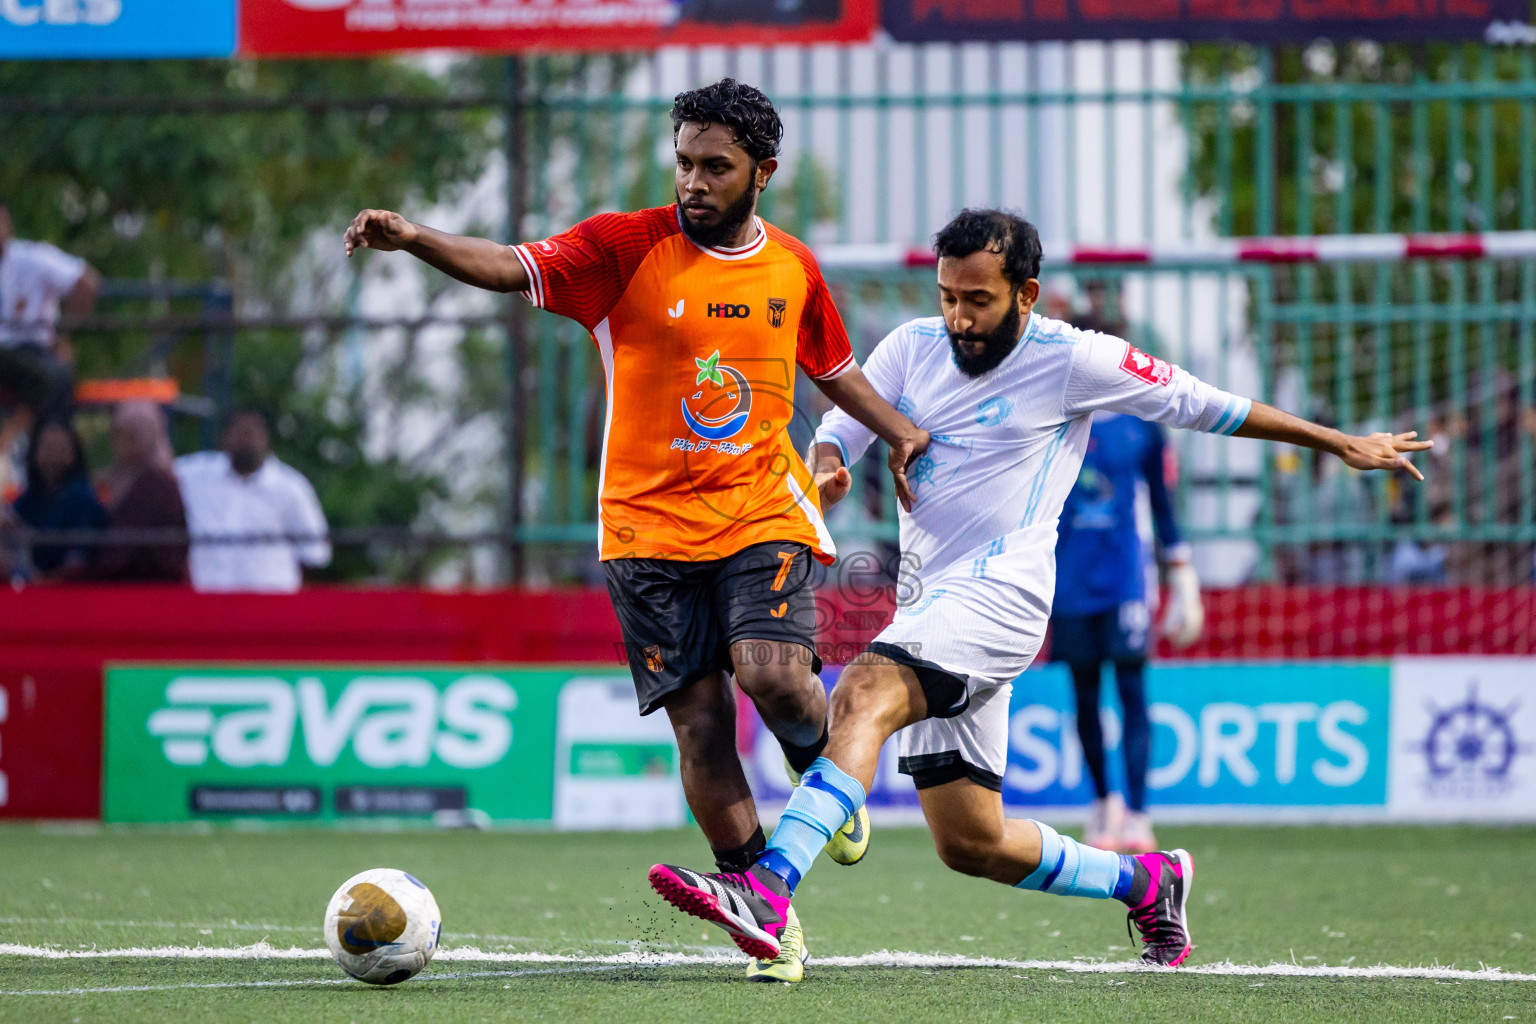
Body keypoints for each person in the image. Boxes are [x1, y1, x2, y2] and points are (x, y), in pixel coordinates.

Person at [647, 208, 1429, 969]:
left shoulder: (1075, 358)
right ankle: (1150, 881)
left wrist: (1338, 441)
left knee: (862, 689)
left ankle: (769, 886)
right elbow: (837, 434)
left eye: (978, 300)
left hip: (1004, 596)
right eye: (949, 296)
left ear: (1026, 293)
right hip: (930, 604)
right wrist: (828, 468)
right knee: (970, 842)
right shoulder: (908, 349)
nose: (959, 317)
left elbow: (1204, 403)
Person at [344, 78, 927, 983]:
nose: (694, 181)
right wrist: (416, 237)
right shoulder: (622, 246)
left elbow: (835, 367)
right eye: (685, 162)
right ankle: (766, 916)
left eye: (717, 167)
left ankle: (824, 772)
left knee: (770, 675)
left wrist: (899, 434)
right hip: (644, 532)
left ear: (762, 173)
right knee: (700, 727)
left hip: (761, 510)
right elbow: (510, 264)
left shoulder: (795, 269)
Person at [1051, 413, 1203, 853]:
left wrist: (1181, 574)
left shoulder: (1143, 424)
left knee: (1132, 690)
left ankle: (1138, 812)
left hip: (1127, 580)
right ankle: (1103, 802)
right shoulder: (1053, 414)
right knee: (1083, 695)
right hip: (1068, 579)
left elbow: (1161, 500)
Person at [0, 199, 100, 494]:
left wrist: (65, 336)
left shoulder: (32, 258)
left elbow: (87, 282)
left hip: (31, 354)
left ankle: (45, 473)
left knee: (54, 378)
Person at [175, 408, 331, 593]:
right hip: (207, 604)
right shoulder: (195, 475)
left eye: (252, 433)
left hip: (269, 607)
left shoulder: (291, 488)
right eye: (239, 433)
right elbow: (155, 473)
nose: (246, 441)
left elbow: (316, 554)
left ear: (267, 439)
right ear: (224, 438)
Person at [93, 401, 188, 582]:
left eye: (133, 435)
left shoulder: (159, 484)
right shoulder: (112, 479)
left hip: (151, 584)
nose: (123, 442)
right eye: (120, 434)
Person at [5, 417, 108, 581]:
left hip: (68, 594)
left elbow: (79, 562)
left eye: (59, 448)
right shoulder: (33, 495)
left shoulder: (84, 500)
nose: (51, 456)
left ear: (73, 453)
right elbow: (12, 519)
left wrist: (43, 584)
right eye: (46, 447)